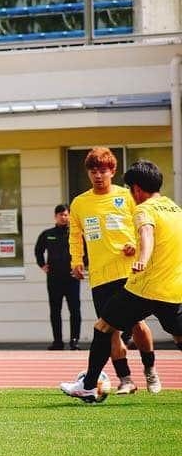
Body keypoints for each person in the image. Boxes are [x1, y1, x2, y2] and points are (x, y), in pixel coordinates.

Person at [61, 159, 181, 402]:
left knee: (103, 326)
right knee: (178, 334)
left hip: (143, 285)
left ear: (136, 189)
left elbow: (146, 233)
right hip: (172, 288)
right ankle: (124, 379)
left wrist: (142, 258)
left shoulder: (142, 208)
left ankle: (88, 385)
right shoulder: (175, 209)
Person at [68, 147, 158, 394]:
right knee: (109, 330)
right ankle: (126, 379)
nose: (98, 175)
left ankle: (150, 371)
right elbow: (75, 235)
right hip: (99, 276)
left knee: (138, 323)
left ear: (112, 171)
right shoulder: (80, 203)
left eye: (103, 171)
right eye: (93, 171)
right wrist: (76, 260)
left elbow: (145, 228)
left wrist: (136, 247)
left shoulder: (127, 197)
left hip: (129, 272)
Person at [35, 204, 81, 350]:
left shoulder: (75, 233)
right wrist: (42, 265)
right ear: (55, 216)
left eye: (66, 214)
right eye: (61, 214)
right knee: (55, 310)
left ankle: (74, 341)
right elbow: (38, 250)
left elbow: (84, 251)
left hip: (71, 278)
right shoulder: (47, 234)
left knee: (75, 310)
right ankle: (58, 342)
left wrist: (80, 266)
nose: (63, 217)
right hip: (54, 279)